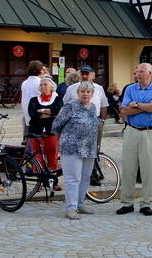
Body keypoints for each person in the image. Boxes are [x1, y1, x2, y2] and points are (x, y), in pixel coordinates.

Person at [116, 63, 152, 216]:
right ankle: (127, 203)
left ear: (150, 73)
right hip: (131, 131)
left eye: (141, 72)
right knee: (129, 168)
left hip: (150, 132)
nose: (137, 74)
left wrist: (135, 105)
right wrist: (147, 105)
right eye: (137, 72)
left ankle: (145, 203)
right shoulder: (130, 88)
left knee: (147, 169)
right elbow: (124, 111)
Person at [51, 81, 100, 220]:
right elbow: (56, 125)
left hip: (89, 148)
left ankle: (80, 204)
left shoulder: (93, 107)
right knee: (73, 179)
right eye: (82, 91)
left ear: (92, 94)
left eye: (88, 92)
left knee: (84, 178)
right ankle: (71, 208)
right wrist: (61, 142)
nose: (85, 94)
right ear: (78, 93)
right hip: (71, 148)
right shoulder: (70, 106)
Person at [28, 77, 63, 176]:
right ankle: (39, 180)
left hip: (51, 131)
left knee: (52, 155)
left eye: (45, 84)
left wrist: (41, 111)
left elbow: (59, 113)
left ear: (51, 86)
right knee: (37, 156)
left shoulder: (57, 99)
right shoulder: (34, 100)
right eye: (41, 85)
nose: (43, 86)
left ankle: (52, 181)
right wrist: (50, 113)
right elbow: (33, 115)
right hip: (35, 131)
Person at [20, 60, 45, 130]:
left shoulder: (24, 83)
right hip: (39, 115)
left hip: (27, 114)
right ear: (39, 71)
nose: (44, 71)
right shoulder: (41, 83)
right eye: (42, 69)